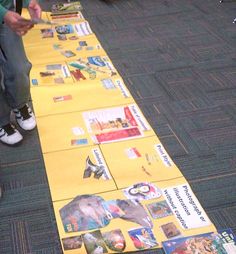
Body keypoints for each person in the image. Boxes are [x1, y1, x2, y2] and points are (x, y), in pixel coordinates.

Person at [0, 0, 41, 146]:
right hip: (4, 12)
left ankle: (20, 103)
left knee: (19, 67)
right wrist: (3, 14)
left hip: (6, 9)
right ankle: (2, 121)